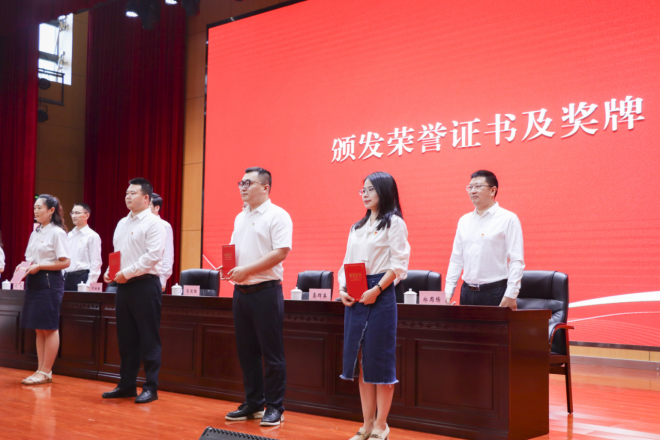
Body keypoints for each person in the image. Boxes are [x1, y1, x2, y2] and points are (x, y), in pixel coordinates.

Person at [338, 171, 410, 440]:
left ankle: (381, 425)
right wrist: (342, 289)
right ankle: (366, 424)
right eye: (363, 190)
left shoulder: (394, 223)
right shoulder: (356, 227)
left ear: (384, 191)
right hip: (356, 293)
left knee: (380, 359)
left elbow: (399, 264)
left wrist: (377, 289)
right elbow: (346, 262)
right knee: (362, 360)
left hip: (381, 293)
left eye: (371, 189)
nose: (365, 194)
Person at [224, 167, 292, 427]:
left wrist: (247, 270)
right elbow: (235, 250)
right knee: (247, 352)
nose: (242, 187)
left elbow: (280, 253)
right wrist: (228, 267)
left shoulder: (278, 215)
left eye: (248, 183)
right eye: (241, 183)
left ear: (265, 187)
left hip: (266, 291)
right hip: (241, 293)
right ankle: (253, 403)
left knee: (272, 354)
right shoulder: (240, 217)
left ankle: (275, 407)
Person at [101, 178, 166, 404]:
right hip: (123, 286)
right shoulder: (122, 223)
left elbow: (153, 256)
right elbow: (118, 253)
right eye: (127, 193)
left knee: (148, 338)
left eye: (133, 193)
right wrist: (110, 271)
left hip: (145, 285)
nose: (128, 196)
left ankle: (150, 387)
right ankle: (127, 385)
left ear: (146, 198)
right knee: (126, 339)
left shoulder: (154, 223)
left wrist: (127, 272)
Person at [445, 170, 524, 309]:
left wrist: (511, 294)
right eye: (470, 187)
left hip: (494, 292)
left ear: (493, 190)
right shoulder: (464, 220)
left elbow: (516, 260)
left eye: (478, 186)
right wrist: (448, 290)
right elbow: (456, 259)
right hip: (467, 292)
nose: (473, 191)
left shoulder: (508, 219)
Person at [18, 194, 71, 385]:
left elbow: (65, 262)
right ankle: (40, 369)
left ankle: (46, 371)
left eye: (40, 207)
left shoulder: (57, 232)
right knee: (39, 328)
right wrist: (22, 266)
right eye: (35, 207)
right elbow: (30, 258)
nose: (36, 211)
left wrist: (40, 266)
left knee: (49, 327)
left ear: (51, 210)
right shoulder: (36, 232)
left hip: (50, 282)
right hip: (34, 281)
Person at [64, 203, 102, 290]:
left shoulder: (92, 236)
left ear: (87, 215)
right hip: (66, 278)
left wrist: (89, 284)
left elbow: (96, 262)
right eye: (72, 213)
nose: (74, 216)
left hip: (82, 277)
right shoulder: (68, 235)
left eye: (77, 213)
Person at [150, 193, 174, 292]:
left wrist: (162, 279)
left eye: (148, 205)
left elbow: (167, 254)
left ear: (157, 208)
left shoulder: (164, 225)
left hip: (155, 279)